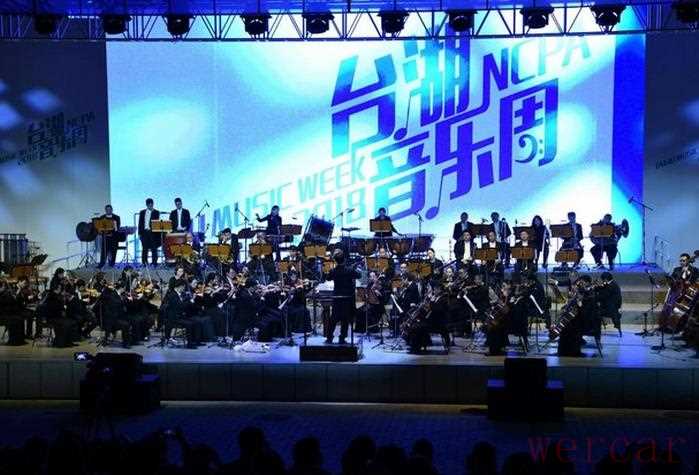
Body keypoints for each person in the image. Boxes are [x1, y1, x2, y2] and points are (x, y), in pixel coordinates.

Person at [324, 249, 361, 344]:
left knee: (333, 318)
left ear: (335, 261)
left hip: (336, 298)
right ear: (344, 259)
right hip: (347, 298)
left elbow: (328, 278)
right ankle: (342, 338)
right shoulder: (349, 270)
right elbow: (359, 275)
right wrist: (353, 268)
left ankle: (329, 337)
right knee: (345, 319)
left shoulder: (333, 271)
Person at [597, 271, 622, 336]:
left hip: (610, 309)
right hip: (612, 307)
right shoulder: (613, 283)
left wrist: (596, 294)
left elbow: (604, 296)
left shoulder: (611, 286)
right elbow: (605, 289)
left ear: (605, 279)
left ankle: (596, 330)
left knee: (595, 312)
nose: (602, 281)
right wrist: (600, 287)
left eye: (602, 280)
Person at [138, 198, 161, 266]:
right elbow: (140, 223)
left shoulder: (156, 212)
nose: (150, 206)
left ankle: (154, 262)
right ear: (147, 205)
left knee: (154, 247)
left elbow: (156, 222)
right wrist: (139, 233)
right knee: (144, 248)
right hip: (144, 232)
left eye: (151, 205)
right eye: (149, 205)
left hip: (153, 232)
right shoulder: (142, 212)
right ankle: (144, 262)